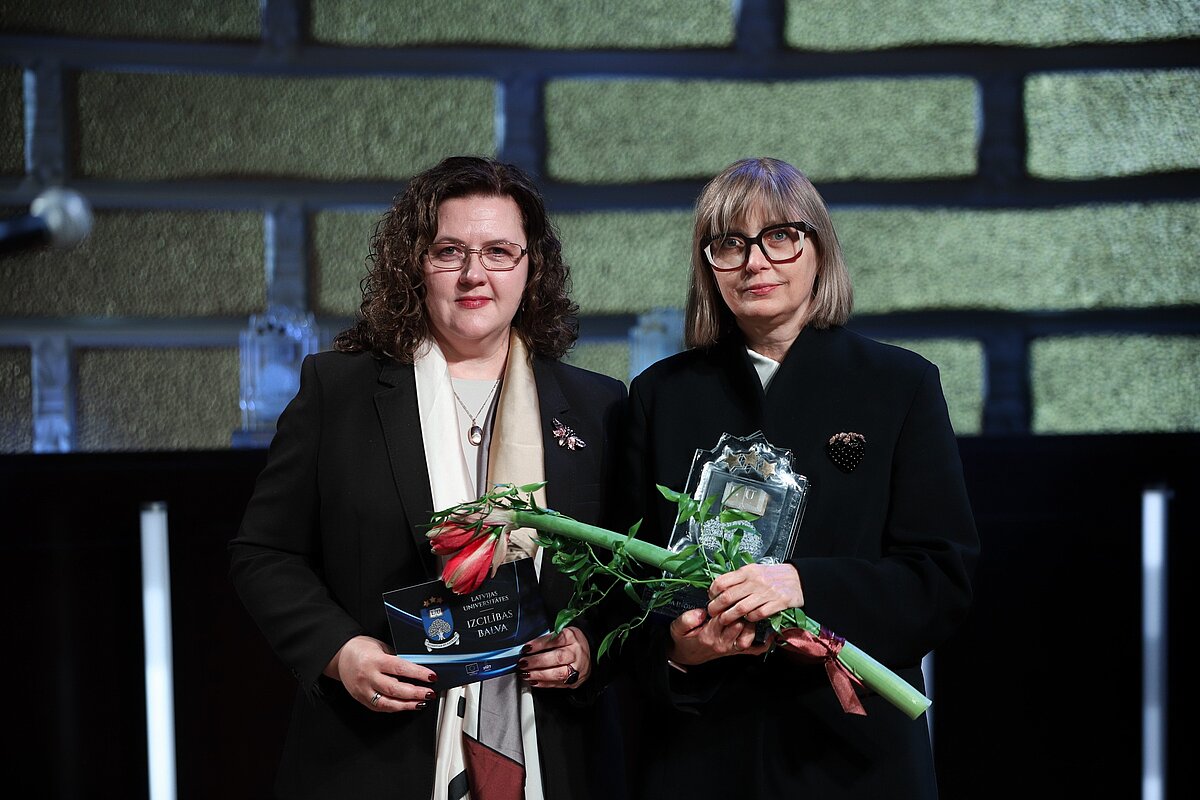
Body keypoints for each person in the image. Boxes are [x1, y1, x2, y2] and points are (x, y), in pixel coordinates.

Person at [229, 156, 627, 800]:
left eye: (500, 251)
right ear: (415, 264)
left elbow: (627, 583)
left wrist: (588, 647)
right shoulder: (339, 391)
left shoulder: (599, 407)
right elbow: (264, 554)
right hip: (374, 755)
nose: (476, 274)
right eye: (451, 251)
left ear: (533, 267)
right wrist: (341, 652)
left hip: (556, 751)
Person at [618, 157, 979, 798]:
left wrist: (805, 585)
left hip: (853, 758)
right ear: (710, 268)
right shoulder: (658, 397)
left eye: (780, 237)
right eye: (730, 244)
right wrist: (681, 647)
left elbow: (941, 578)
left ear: (819, 251)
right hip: (701, 754)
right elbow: (628, 590)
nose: (756, 262)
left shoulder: (899, 386)